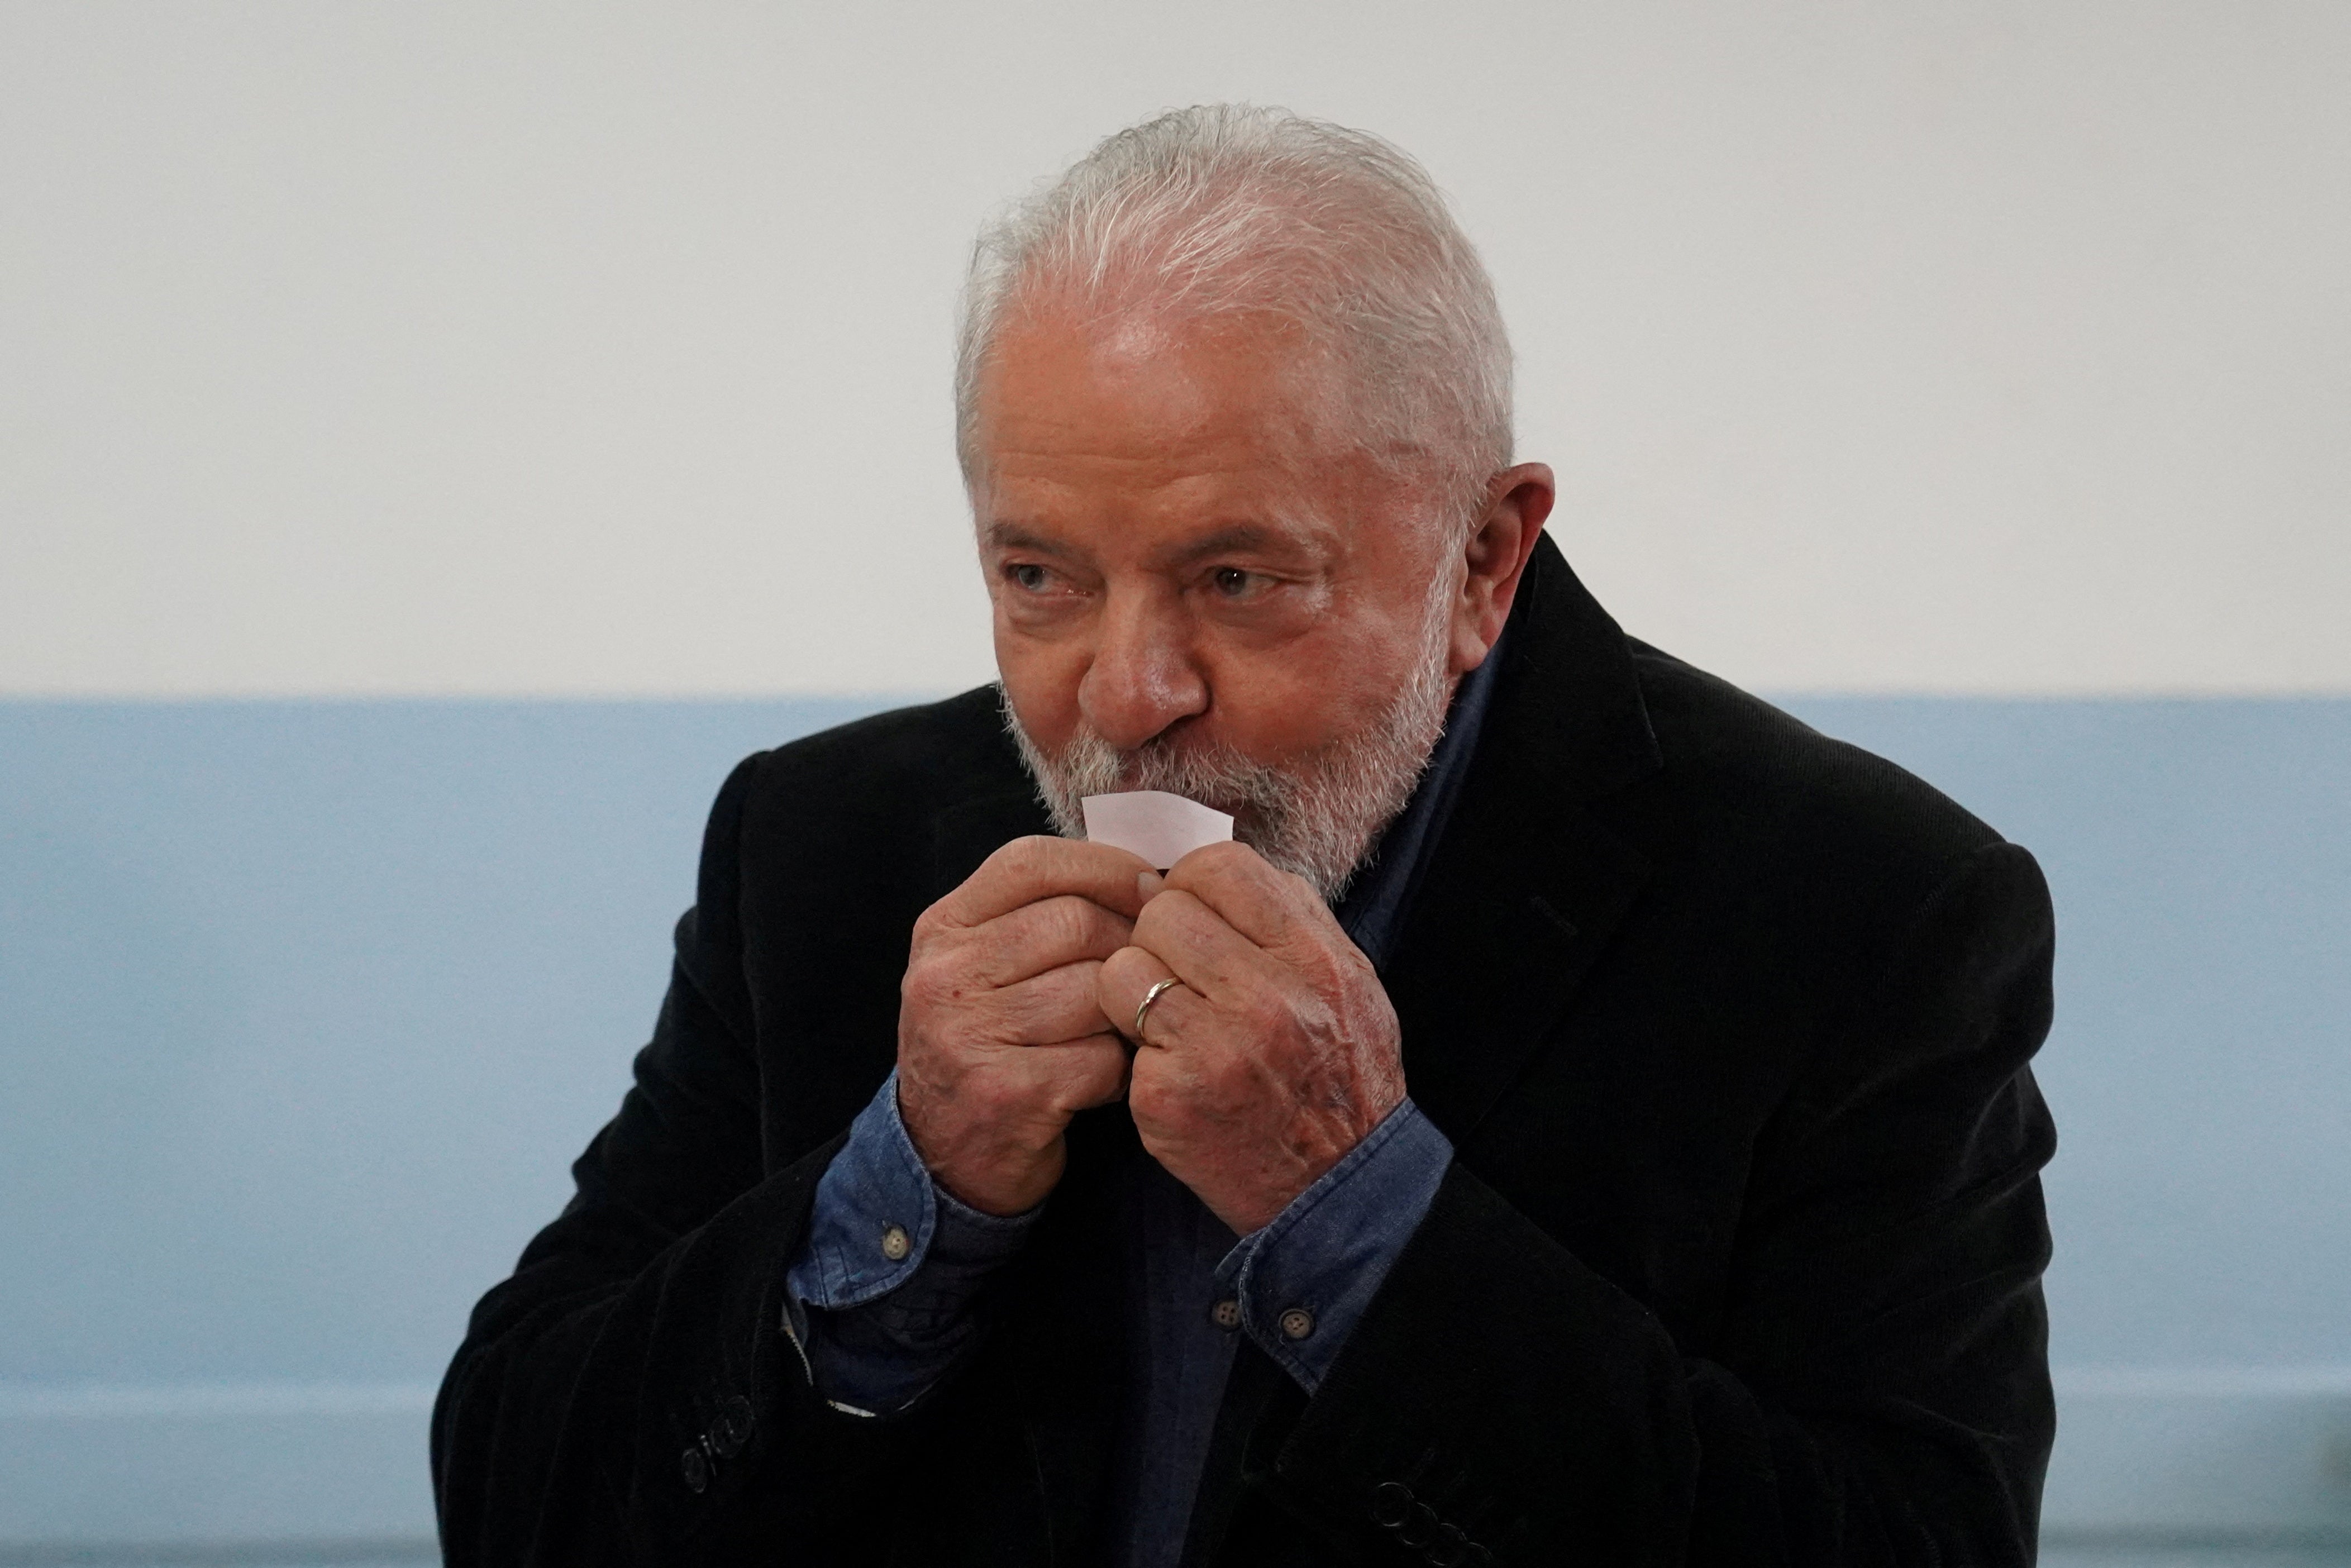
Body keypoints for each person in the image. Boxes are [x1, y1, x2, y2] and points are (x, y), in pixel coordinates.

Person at [432, 104, 2056, 1566]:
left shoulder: (1860, 910)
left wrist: (1358, 1209)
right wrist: (903, 1190)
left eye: (1236, 580)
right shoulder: (820, 844)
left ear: (1482, 562)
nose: (1123, 700)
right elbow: (518, 1504)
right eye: (1039, 580)